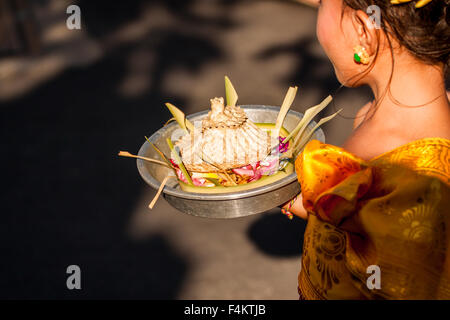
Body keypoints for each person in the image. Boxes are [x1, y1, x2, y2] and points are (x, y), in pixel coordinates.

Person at [281, 0, 450, 299]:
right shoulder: (374, 119)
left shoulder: (414, 178)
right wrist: (306, 201)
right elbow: (365, 224)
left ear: (363, 30)